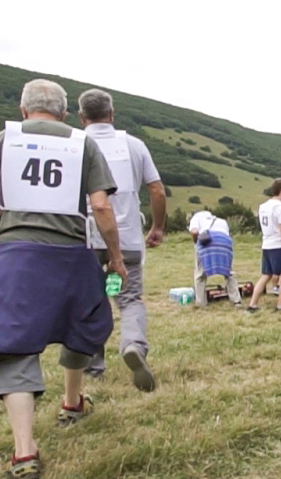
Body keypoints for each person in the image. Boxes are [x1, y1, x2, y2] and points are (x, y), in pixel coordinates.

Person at [0, 79, 122, 479]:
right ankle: (72, 402)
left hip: (15, 254)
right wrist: (118, 257)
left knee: (15, 344)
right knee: (83, 325)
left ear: (23, 110)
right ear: (65, 113)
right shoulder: (83, 143)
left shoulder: (2, 141)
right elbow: (102, 207)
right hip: (70, 253)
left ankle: (24, 452)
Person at [76, 89, 166, 392]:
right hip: (126, 239)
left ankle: (92, 365)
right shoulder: (133, 145)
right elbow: (156, 190)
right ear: (111, 114)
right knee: (128, 299)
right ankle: (133, 345)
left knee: (91, 299)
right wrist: (157, 227)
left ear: (81, 117)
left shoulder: (74, 144)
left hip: (85, 240)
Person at [248, 179, 281, 312]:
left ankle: (252, 305)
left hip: (267, 244)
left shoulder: (263, 206)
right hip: (278, 245)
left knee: (266, 275)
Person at [189, 209, 242, 308]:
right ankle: (236, 301)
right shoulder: (221, 221)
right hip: (224, 242)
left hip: (206, 242)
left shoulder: (196, 217)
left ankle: (201, 303)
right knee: (229, 272)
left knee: (200, 274)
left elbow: (195, 232)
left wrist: (196, 243)